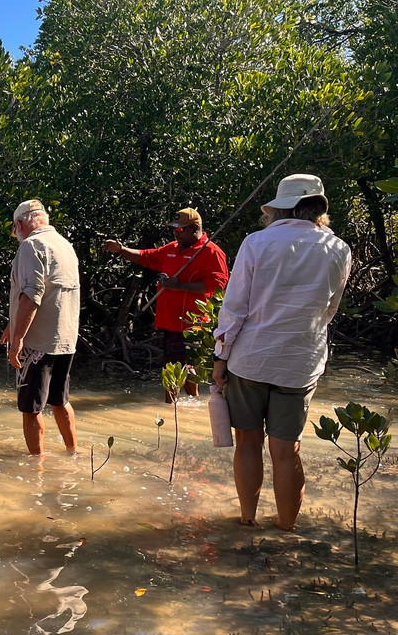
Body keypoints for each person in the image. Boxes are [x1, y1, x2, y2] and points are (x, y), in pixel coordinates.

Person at [213, 174, 351, 531]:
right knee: (287, 452)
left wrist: (220, 357)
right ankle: (287, 529)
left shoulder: (257, 242)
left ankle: (247, 522)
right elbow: (329, 310)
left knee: (247, 443)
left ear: (279, 209)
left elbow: (235, 308)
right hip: (300, 362)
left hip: (251, 360)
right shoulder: (339, 249)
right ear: (318, 209)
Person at [103, 207, 229, 398]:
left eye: (179, 230)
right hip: (170, 324)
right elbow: (146, 256)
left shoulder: (211, 252)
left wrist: (180, 285)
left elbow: (219, 285)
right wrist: (121, 250)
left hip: (193, 325)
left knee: (189, 373)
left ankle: (188, 411)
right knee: (170, 373)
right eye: (173, 229)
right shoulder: (171, 249)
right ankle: (173, 412)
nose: (175, 233)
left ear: (195, 228)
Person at [2, 200, 80, 455]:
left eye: (16, 231)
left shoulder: (31, 245)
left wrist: (17, 340)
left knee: (30, 408)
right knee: (60, 400)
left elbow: (33, 295)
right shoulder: (64, 245)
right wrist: (11, 323)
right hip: (65, 339)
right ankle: (73, 453)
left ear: (21, 223)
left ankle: (37, 468)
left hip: (37, 342)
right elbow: (50, 294)